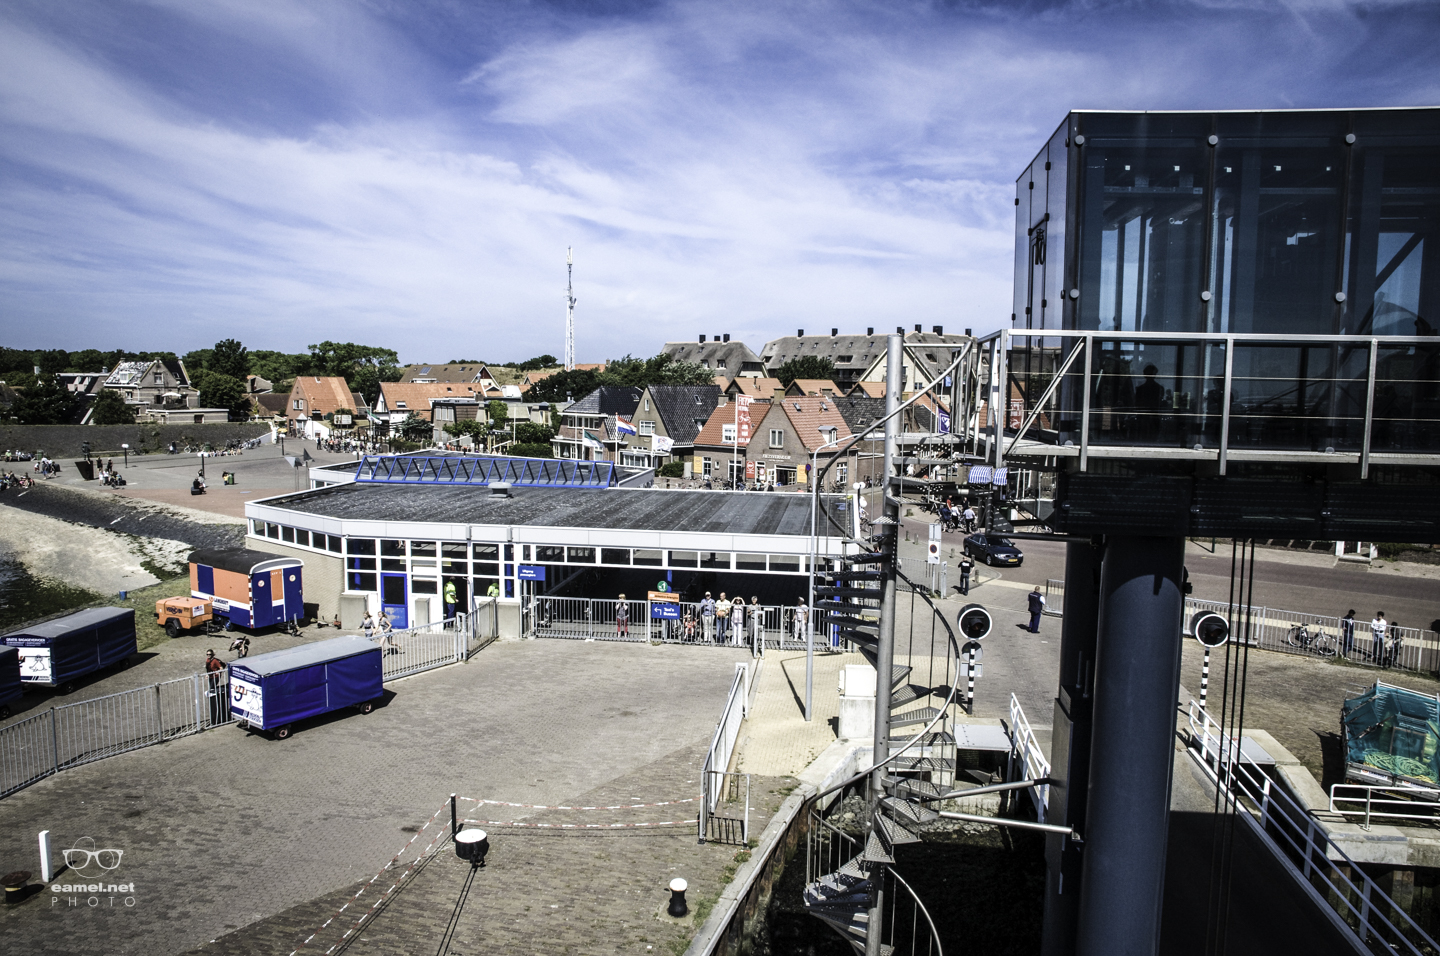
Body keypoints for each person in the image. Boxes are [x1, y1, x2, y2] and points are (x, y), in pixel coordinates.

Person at [204, 650, 226, 724]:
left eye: (210, 654)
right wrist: (207, 674)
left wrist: (218, 672)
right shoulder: (207, 660)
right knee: (211, 687)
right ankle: (213, 698)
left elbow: (221, 668)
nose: (208, 655)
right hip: (210, 676)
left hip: (215, 677)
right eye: (207, 654)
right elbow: (207, 668)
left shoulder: (215, 661)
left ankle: (214, 700)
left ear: (212, 654)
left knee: (212, 688)